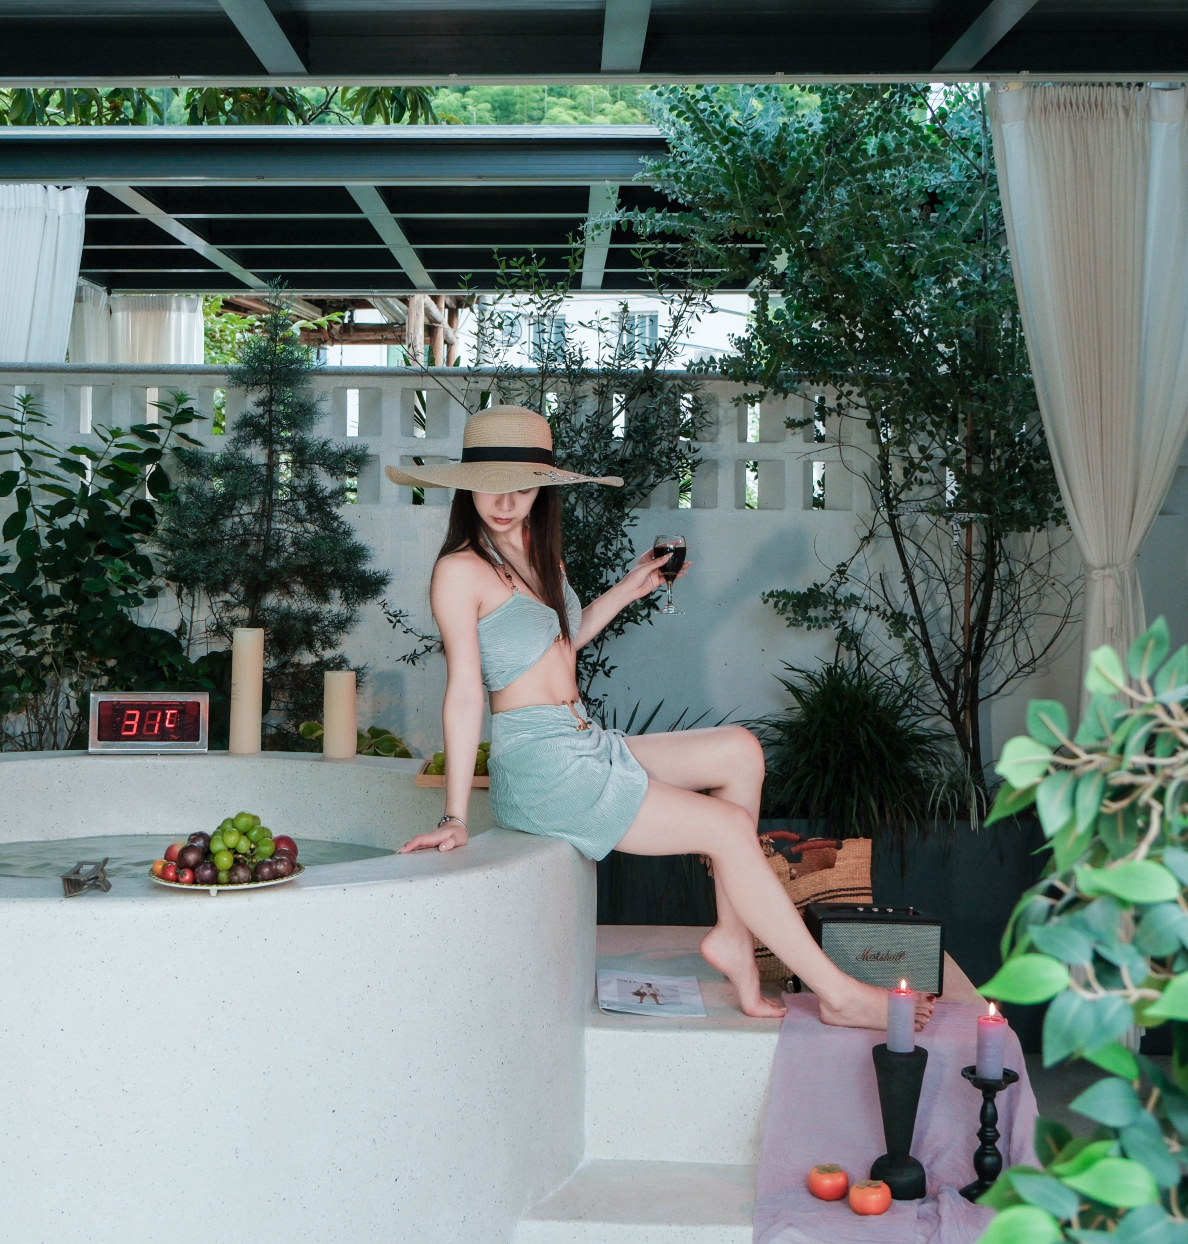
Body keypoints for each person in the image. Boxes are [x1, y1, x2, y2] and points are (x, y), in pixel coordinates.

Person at [393, 405, 932, 1030]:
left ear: (543, 486)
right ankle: (836, 993)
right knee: (728, 827)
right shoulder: (460, 570)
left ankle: (733, 937)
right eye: (490, 486)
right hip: (541, 766)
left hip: (582, 739)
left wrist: (632, 586)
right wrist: (455, 816)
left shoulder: (539, 553)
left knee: (740, 751)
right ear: (467, 488)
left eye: (521, 484)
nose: (505, 502)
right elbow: (465, 691)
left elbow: (561, 645)